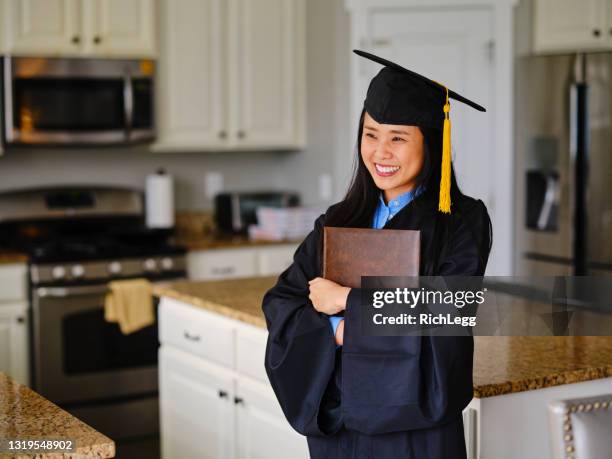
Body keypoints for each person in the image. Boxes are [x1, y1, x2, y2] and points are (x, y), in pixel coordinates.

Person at [261, 50, 493, 459]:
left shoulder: (461, 221)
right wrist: (337, 331)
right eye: (371, 134)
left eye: (398, 138)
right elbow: (282, 302)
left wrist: (347, 301)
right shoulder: (340, 219)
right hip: (340, 422)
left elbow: (448, 309)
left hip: (416, 428)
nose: (381, 152)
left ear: (431, 143)